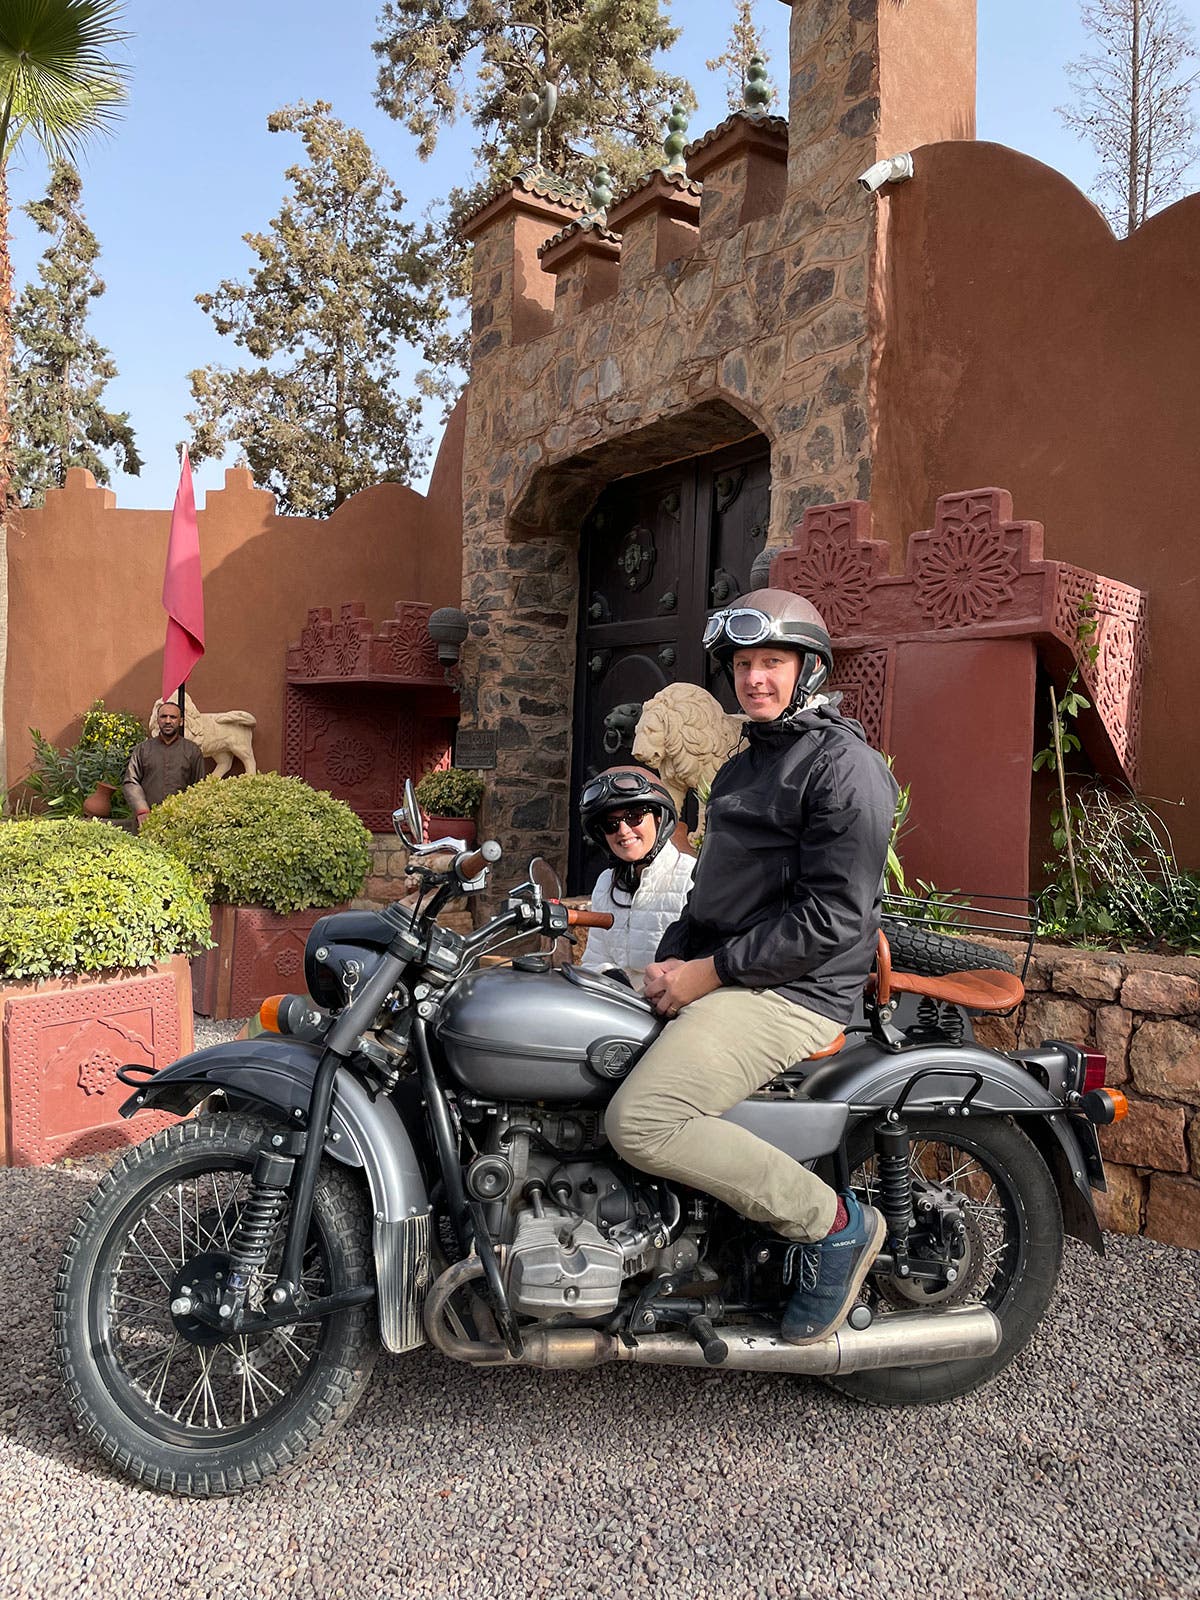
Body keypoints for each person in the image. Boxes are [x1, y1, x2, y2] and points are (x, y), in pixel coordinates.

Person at [605, 589, 900, 1346]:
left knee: (642, 1121)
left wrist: (711, 972)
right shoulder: (740, 771)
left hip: (795, 990)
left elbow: (833, 919)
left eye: (772, 661)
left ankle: (832, 1225)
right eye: (743, 664)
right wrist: (671, 960)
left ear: (807, 669)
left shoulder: (846, 768)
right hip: (735, 972)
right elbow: (710, 897)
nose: (755, 678)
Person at [578, 765, 695, 989]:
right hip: (619, 1008)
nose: (622, 830)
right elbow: (594, 959)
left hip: (674, 1010)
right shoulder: (606, 883)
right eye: (610, 824)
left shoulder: (691, 878)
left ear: (659, 818)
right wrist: (611, 978)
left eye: (635, 817)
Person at [123, 699, 206, 825]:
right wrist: (142, 810)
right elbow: (131, 781)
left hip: (181, 822)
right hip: (148, 822)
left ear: (181, 721)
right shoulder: (143, 749)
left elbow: (199, 786)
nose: (168, 721)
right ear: (158, 720)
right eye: (163, 716)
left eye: (173, 717)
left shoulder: (192, 751)